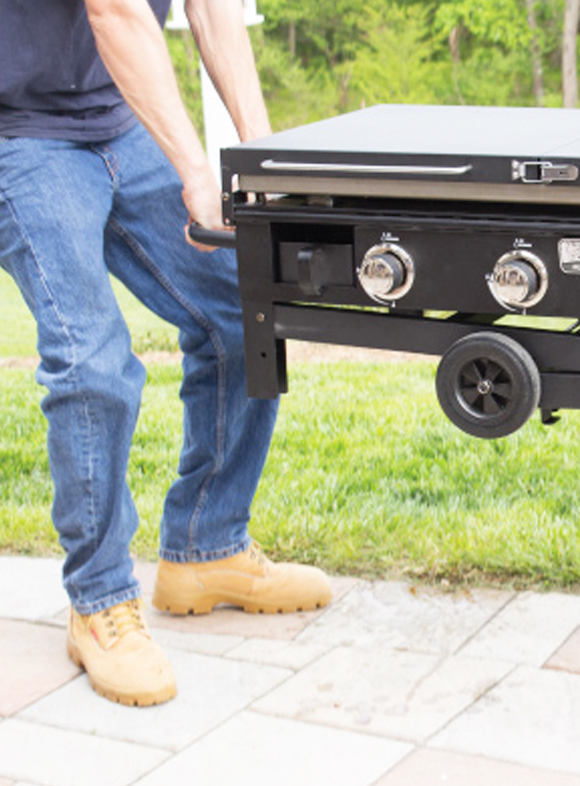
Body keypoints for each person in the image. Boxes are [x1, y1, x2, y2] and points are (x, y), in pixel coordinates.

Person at [0, 0, 331, 707]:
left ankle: (206, 548)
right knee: (92, 362)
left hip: (116, 119)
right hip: (18, 136)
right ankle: (97, 602)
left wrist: (260, 150)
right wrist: (193, 167)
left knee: (245, 311)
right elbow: (115, 10)